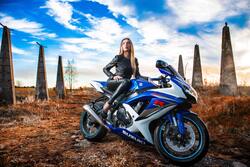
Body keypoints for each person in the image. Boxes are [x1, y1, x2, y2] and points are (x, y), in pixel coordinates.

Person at [101, 37, 148, 119]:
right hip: (114, 82)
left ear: (131, 46)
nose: (126, 44)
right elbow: (105, 69)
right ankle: (108, 104)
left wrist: (149, 79)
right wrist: (113, 76)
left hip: (125, 84)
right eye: (123, 43)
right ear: (121, 46)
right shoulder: (118, 57)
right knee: (127, 81)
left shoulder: (134, 60)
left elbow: (137, 76)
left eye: (128, 43)